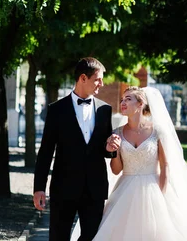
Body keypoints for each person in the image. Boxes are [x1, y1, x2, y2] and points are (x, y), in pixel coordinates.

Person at [85, 86, 187, 241]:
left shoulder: (157, 131)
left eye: (128, 99)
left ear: (140, 103)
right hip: (125, 191)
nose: (123, 102)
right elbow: (116, 170)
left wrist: (161, 196)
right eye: (122, 99)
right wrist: (114, 151)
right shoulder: (116, 133)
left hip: (154, 188)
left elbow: (165, 166)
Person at [33, 57, 121, 241]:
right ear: (83, 78)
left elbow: (106, 150)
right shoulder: (57, 110)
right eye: (98, 79)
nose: (102, 84)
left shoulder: (105, 110)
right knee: (58, 237)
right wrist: (39, 188)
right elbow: (46, 151)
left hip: (94, 188)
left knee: (92, 236)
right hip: (64, 187)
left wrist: (110, 148)